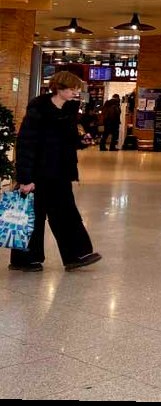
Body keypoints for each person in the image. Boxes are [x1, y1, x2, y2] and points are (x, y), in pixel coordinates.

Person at [9, 71, 102, 272]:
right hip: (38, 174)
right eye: (73, 89)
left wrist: (81, 141)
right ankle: (24, 260)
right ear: (59, 88)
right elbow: (25, 144)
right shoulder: (38, 110)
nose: (76, 92)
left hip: (60, 172)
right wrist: (25, 178)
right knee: (33, 216)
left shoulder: (68, 111)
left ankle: (76, 254)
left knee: (66, 213)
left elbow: (68, 141)